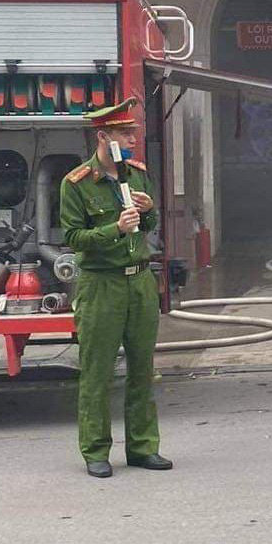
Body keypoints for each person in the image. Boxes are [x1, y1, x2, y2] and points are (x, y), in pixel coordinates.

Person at [60, 97, 171, 479]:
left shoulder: (136, 174)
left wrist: (149, 208)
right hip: (101, 284)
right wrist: (115, 229)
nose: (133, 139)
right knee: (98, 371)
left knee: (143, 368)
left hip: (139, 281)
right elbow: (75, 237)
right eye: (125, 133)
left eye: (133, 132)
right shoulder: (75, 183)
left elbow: (150, 225)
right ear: (104, 137)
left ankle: (143, 447)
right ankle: (95, 450)